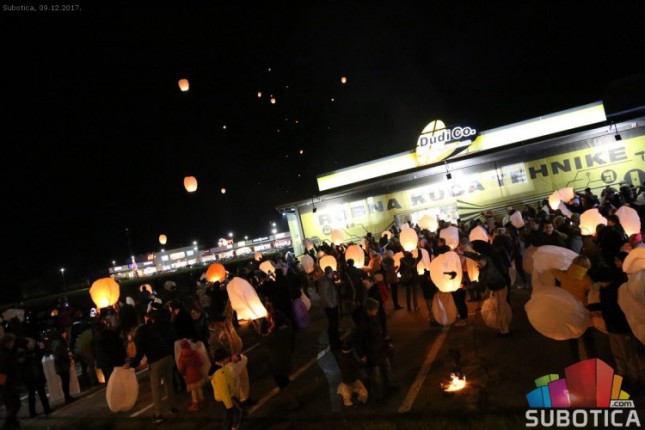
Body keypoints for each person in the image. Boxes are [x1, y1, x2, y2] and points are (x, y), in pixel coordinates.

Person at [124, 310, 178, 424]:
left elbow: (139, 354)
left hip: (156, 361)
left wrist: (130, 365)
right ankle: (173, 407)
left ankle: (158, 415)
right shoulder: (151, 329)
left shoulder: (139, 336)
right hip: (167, 357)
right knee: (169, 383)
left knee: (155, 388)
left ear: (133, 331)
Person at [353, 298, 398, 402]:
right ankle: (378, 395)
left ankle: (390, 385)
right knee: (376, 375)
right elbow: (357, 341)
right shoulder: (362, 324)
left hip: (381, 348)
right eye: (375, 309)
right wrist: (362, 355)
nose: (377, 311)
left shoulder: (374, 318)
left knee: (387, 368)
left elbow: (379, 331)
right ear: (368, 310)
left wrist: (386, 339)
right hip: (371, 352)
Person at [208, 314, 251, 406]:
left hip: (237, 355)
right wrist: (230, 357)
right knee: (236, 383)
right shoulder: (213, 338)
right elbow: (216, 354)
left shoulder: (226, 326)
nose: (224, 323)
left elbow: (229, 310)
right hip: (229, 362)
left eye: (224, 321)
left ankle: (246, 399)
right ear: (215, 323)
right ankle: (239, 402)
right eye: (221, 322)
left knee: (244, 378)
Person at [211, 349, 244, 430]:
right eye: (227, 357)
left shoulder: (219, 368)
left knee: (230, 415)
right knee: (235, 413)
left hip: (226, 397)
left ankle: (232, 427)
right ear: (222, 359)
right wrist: (229, 405)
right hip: (227, 397)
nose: (228, 359)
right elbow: (224, 390)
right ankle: (234, 427)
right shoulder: (220, 373)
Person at [21, 338, 52, 418]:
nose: (33, 344)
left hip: (35, 377)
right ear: (27, 344)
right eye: (31, 343)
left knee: (39, 394)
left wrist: (41, 349)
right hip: (32, 377)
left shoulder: (31, 353)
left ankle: (44, 410)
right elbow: (35, 360)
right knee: (35, 395)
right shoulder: (26, 354)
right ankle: (38, 411)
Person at [336, 339, 368, 407]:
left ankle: (349, 401)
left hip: (344, 379)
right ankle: (359, 400)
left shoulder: (340, 357)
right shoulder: (350, 358)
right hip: (352, 379)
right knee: (363, 392)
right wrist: (363, 361)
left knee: (347, 393)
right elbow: (357, 366)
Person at [0, 334, 22, 429]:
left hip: (7, 382)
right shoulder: (3, 353)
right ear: (7, 342)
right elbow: (3, 369)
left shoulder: (6, 352)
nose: (13, 344)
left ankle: (13, 421)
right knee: (16, 403)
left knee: (10, 404)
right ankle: (8, 423)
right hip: (7, 382)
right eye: (12, 342)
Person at [177, 339, 205, 411]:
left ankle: (195, 404)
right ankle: (201, 402)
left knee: (193, 391)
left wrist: (183, 373)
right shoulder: (194, 353)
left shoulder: (182, 356)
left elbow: (181, 368)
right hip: (197, 374)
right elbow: (200, 362)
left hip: (189, 376)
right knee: (199, 389)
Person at [317, 266, 341, 350]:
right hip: (330, 307)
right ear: (331, 272)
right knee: (333, 324)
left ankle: (336, 340)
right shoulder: (325, 281)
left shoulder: (328, 280)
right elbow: (324, 295)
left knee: (335, 323)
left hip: (333, 305)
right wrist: (331, 305)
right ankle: (334, 342)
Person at [52, 329, 75, 404]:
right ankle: (67, 397)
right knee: (65, 381)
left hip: (63, 365)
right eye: (64, 333)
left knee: (66, 381)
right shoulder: (59, 344)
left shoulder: (62, 343)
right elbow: (58, 356)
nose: (65, 334)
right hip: (62, 366)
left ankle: (67, 396)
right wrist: (66, 359)